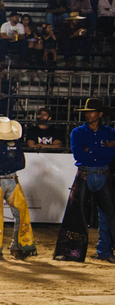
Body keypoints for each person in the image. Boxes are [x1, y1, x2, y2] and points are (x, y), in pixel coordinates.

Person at [53, 99, 115, 263]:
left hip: (90, 174)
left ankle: (97, 251)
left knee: (106, 215)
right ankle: (98, 251)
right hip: (95, 173)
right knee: (80, 214)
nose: (88, 114)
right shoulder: (81, 132)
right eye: (87, 112)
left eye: (91, 111)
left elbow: (110, 153)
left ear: (100, 114)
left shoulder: (102, 132)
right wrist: (104, 148)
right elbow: (79, 155)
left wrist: (91, 150)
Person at [0, 117, 37, 261]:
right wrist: (9, 164)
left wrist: (0, 163)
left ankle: (14, 247)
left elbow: (20, 164)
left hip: (7, 180)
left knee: (21, 212)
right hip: (0, 181)